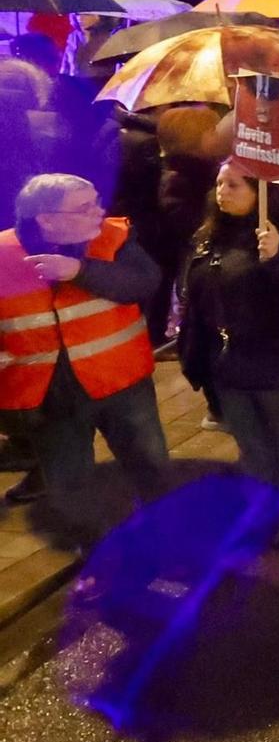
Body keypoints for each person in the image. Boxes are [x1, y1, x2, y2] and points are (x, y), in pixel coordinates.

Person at [0, 175, 167, 545]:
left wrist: (80, 272)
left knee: (151, 470)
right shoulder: (2, 257)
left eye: (96, 201)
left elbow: (143, 283)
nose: (100, 211)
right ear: (45, 218)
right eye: (84, 207)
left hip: (121, 384)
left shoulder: (112, 237)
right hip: (50, 399)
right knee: (70, 487)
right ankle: (95, 561)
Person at [177, 165, 279, 533]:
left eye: (234, 185)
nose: (222, 191)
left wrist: (276, 260)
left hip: (274, 357)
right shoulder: (209, 235)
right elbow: (195, 292)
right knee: (251, 444)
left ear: (262, 192)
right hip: (226, 360)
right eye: (219, 184)